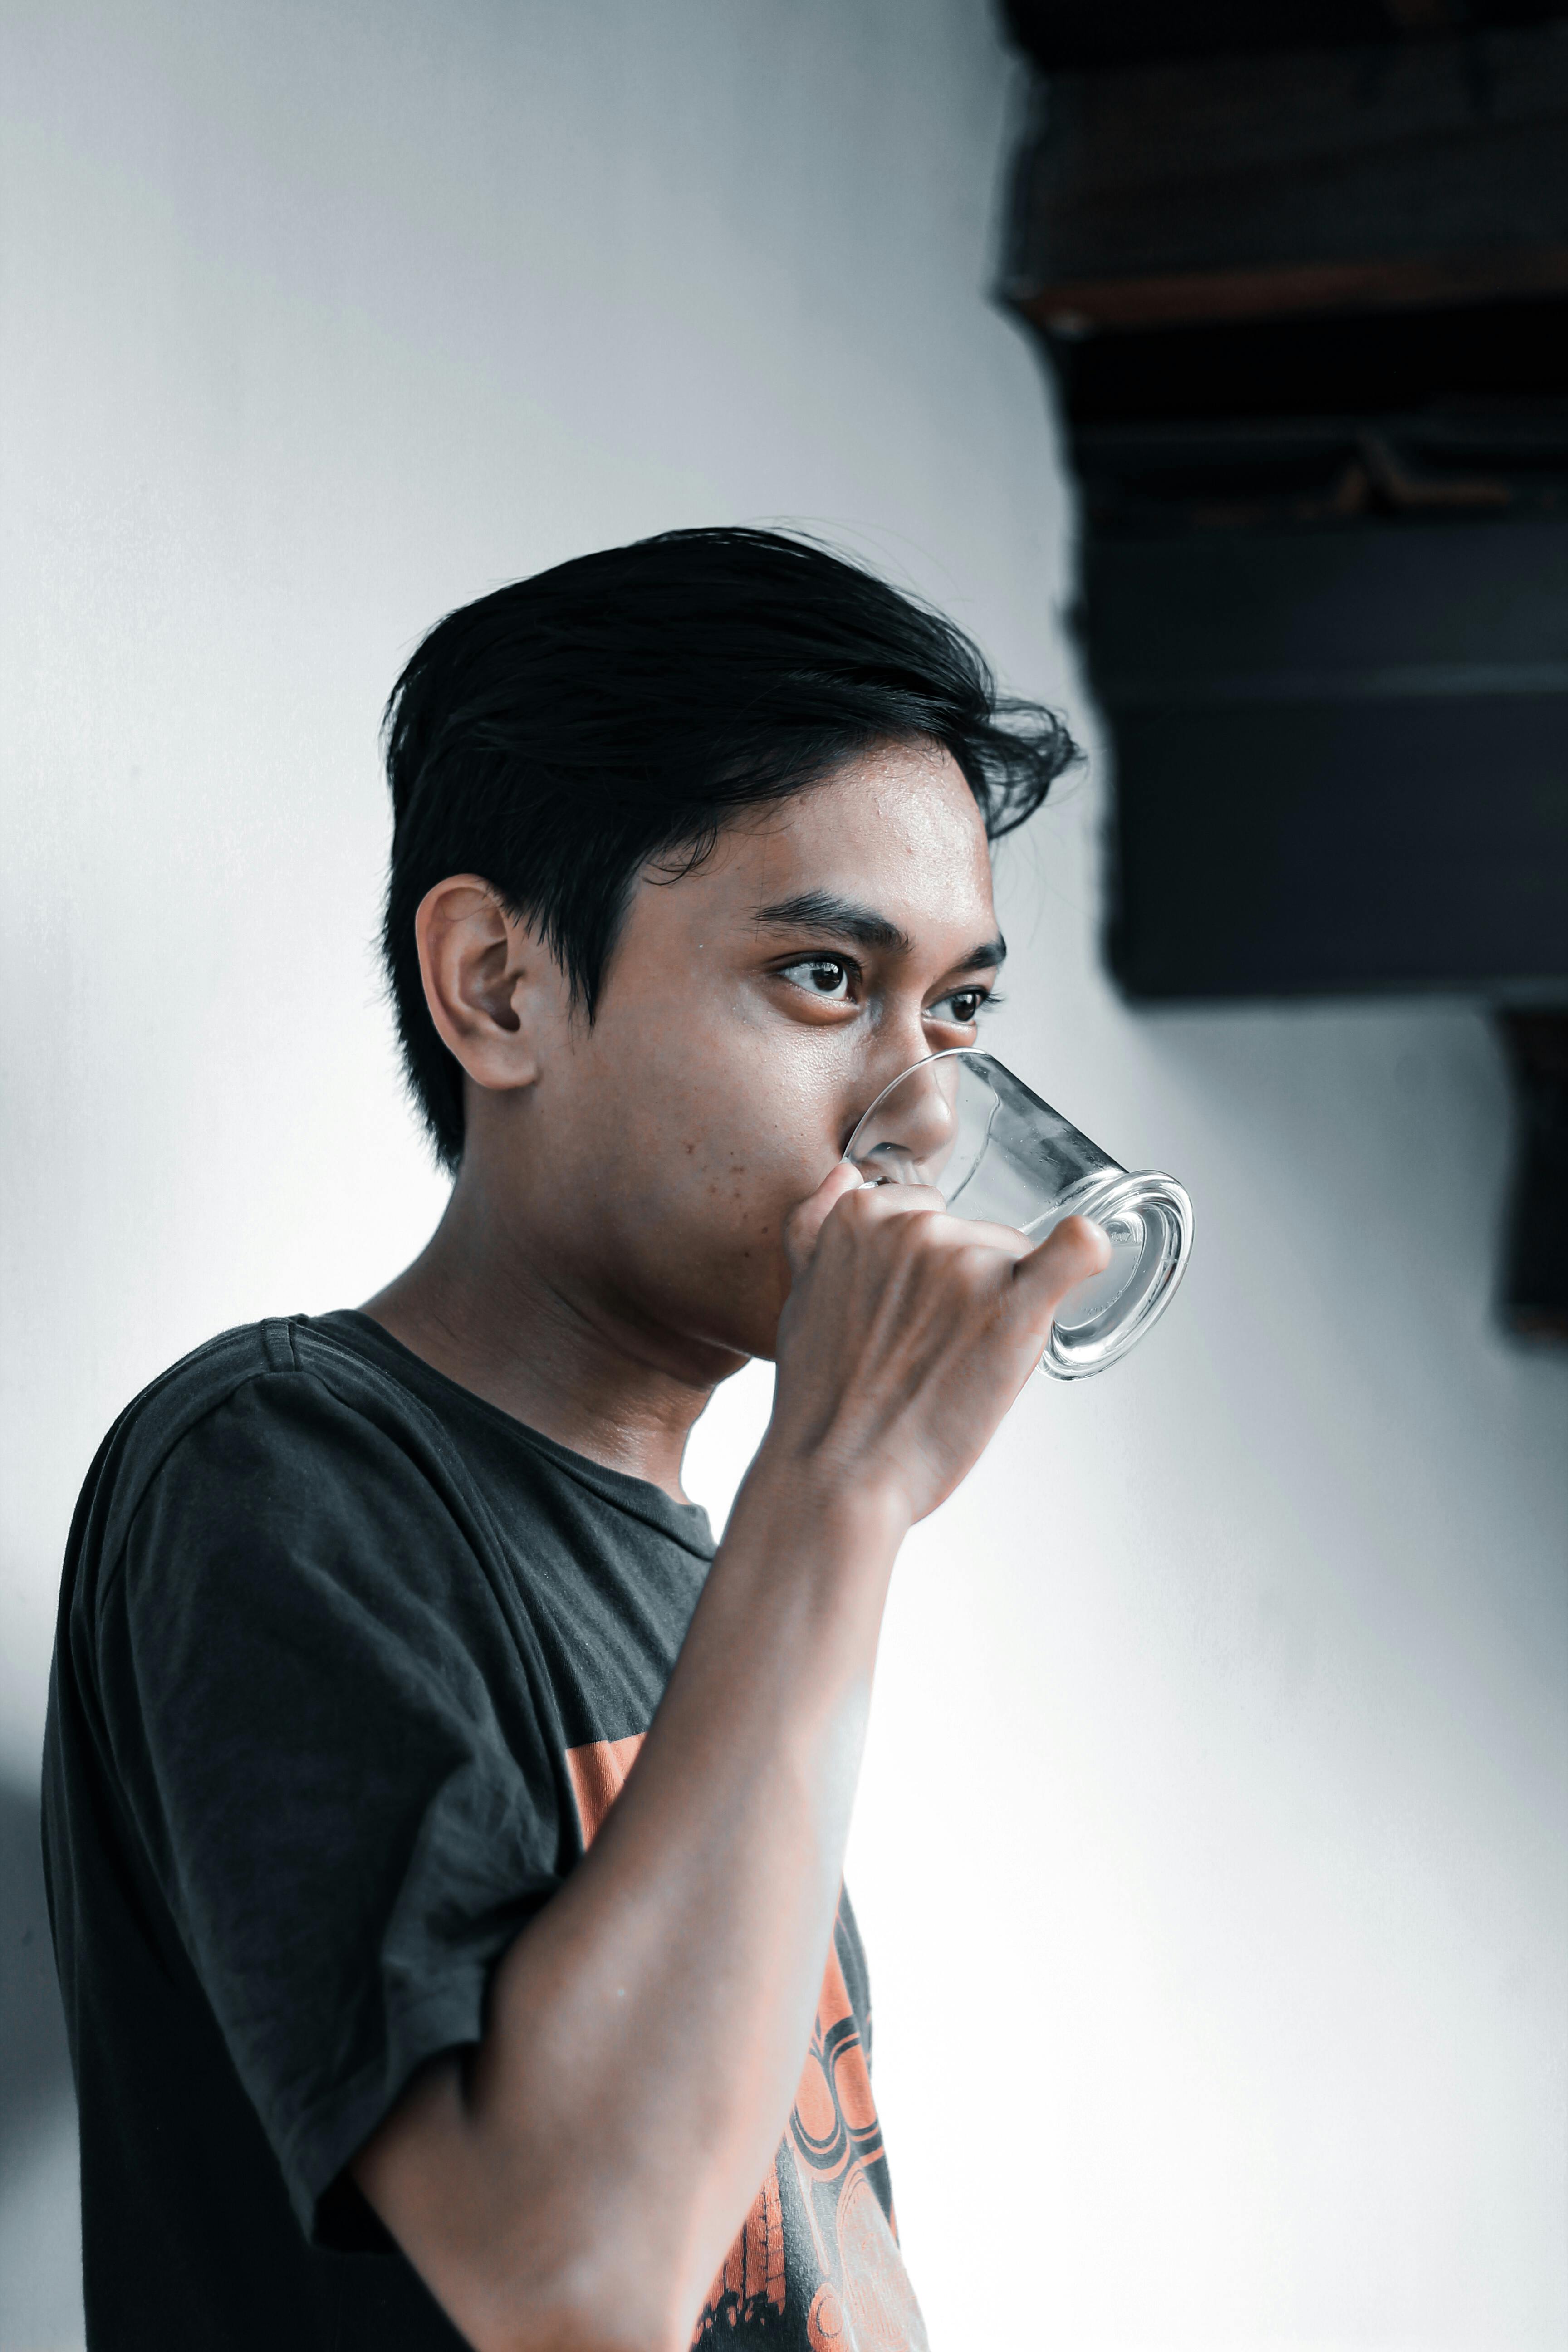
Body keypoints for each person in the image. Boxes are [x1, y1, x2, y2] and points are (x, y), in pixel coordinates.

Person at [43, 527, 1108, 2352]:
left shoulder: (718, 1572)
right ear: (498, 987)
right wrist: (844, 1486)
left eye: (959, 1008)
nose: (928, 1114)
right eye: (824, 978)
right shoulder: (280, 1472)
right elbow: (577, 2283)